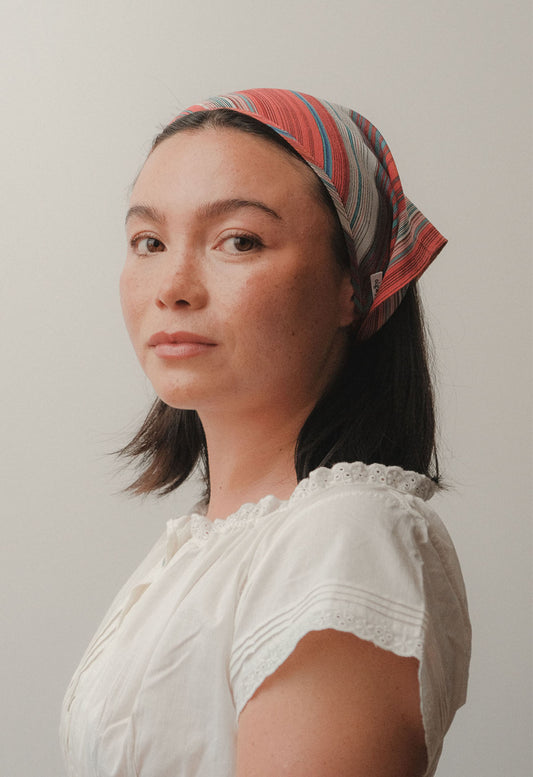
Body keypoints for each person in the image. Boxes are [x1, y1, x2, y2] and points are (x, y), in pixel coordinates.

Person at [60, 89, 471, 777]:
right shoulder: (209, 545)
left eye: (239, 241)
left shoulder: (345, 538)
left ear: (352, 284)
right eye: (149, 242)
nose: (172, 286)